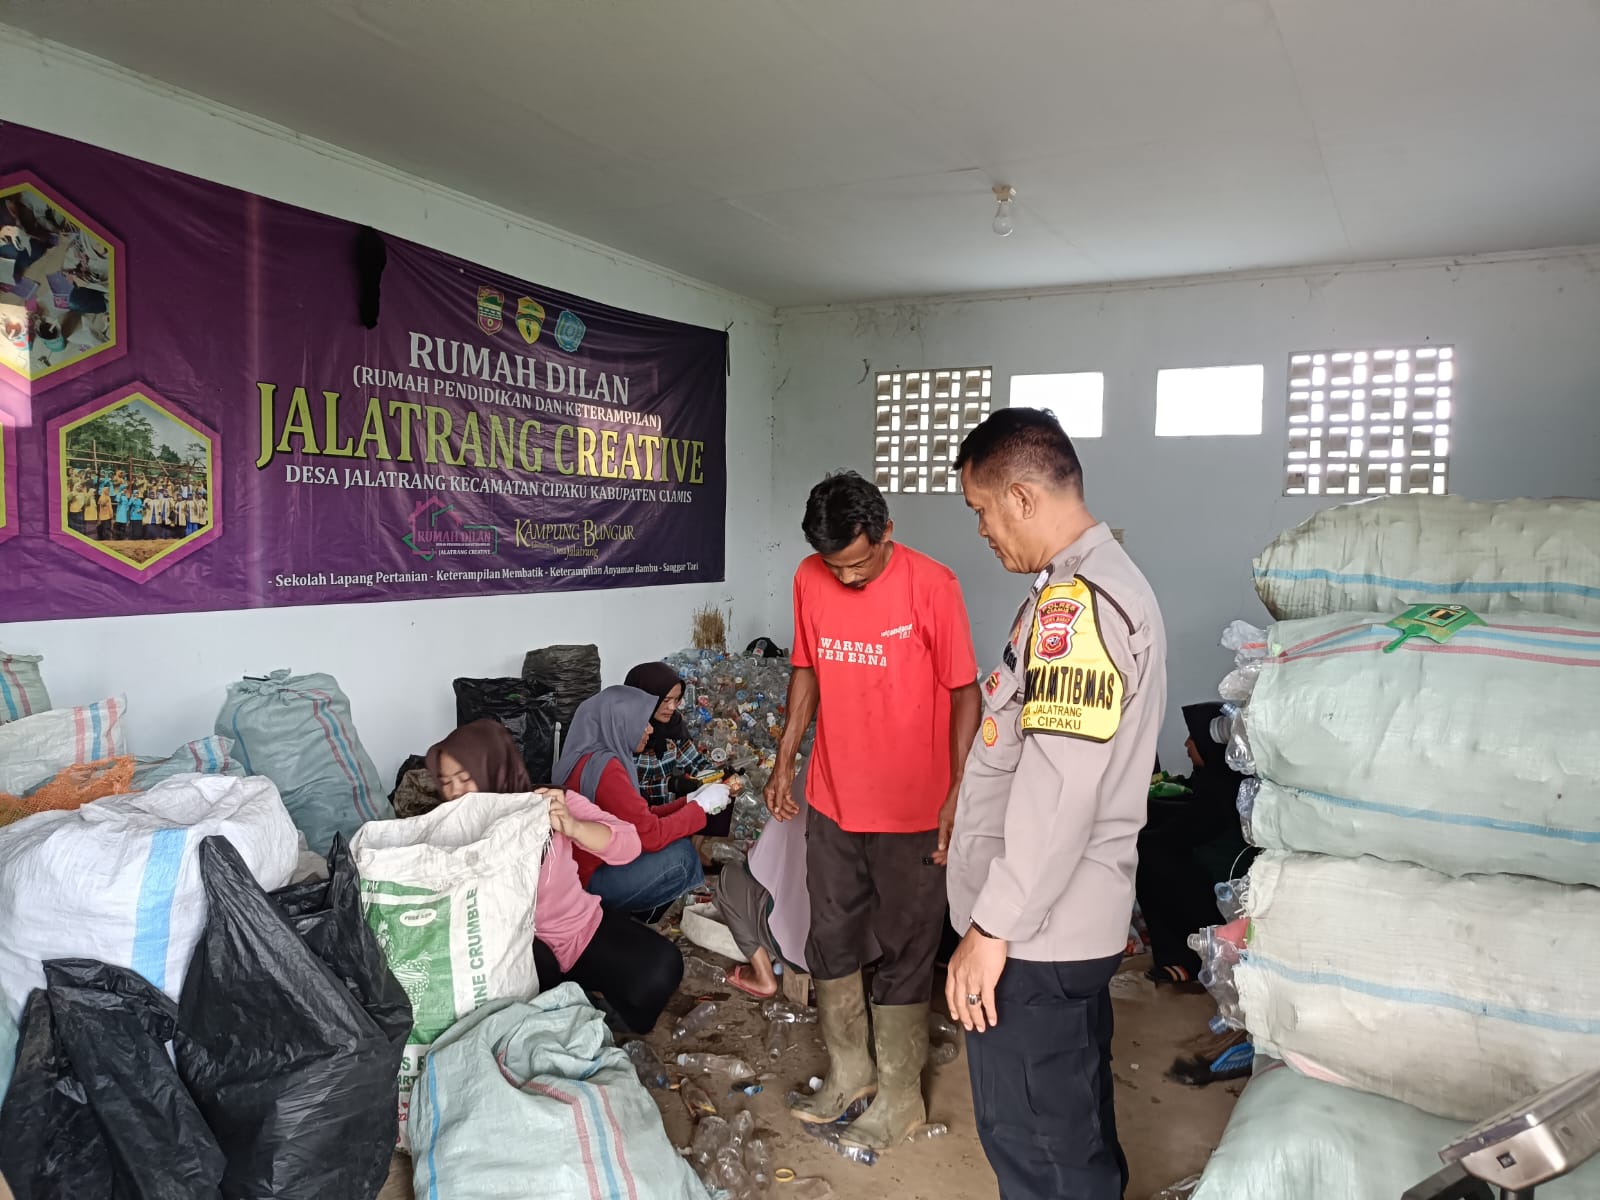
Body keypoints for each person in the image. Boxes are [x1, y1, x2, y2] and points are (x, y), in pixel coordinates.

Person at [944, 407, 1167, 1200]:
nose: (983, 530)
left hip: (1036, 935)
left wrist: (990, 927)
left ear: (1024, 496)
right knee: (1069, 1121)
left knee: (1038, 1142)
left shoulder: (1077, 606)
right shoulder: (1091, 588)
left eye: (982, 510)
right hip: (1058, 924)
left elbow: (1060, 788)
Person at [766, 470, 980, 1150]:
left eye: (859, 564)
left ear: (887, 532)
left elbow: (965, 691)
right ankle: (849, 1073)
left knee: (906, 949)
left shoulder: (934, 585)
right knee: (829, 936)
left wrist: (958, 789)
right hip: (833, 799)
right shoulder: (808, 579)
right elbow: (806, 666)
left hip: (914, 808)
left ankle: (899, 1095)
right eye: (837, 567)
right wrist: (786, 756)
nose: (849, 579)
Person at [426, 720, 682, 1032]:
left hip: (578, 931)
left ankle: (615, 1022)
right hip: (514, 952)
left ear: (493, 769)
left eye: (465, 779)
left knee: (662, 968)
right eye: (446, 782)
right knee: (535, 980)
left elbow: (627, 844)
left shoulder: (547, 804)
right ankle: (567, 1007)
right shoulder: (449, 830)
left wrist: (573, 826)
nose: (454, 793)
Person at [557, 685, 733, 919]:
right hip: (592, 877)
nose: (650, 729)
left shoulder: (586, 755)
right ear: (620, 723)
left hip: (586, 867)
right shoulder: (606, 768)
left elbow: (639, 816)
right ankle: (639, 918)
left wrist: (689, 801)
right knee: (682, 856)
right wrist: (699, 808)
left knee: (678, 839)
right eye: (642, 722)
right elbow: (650, 836)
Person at [720, 757, 881, 998]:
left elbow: (765, 857)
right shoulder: (891, 784)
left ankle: (764, 976)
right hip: (875, 947)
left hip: (803, 948)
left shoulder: (817, 774)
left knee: (729, 878)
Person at [1136, 702, 1251, 988]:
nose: (1187, 744)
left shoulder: (1224, 793)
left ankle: (1186, 958)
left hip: (1221, 890)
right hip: (1210, 873)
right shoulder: (1216, 780)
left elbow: (1187, 829)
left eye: (1194, 738)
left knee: (1149, 857)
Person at [623, 660, 741, 836]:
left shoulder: (672, 725)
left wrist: (717, 775)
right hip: (636, 820)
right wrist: (670, 785)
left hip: (670, 810)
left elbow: (693, 760)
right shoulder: (626, 733)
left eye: (677, 700)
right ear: (645, 698)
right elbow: (627, 792)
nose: (672, 707)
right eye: (666, 700)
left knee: (718, 794)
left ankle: (702, 850)